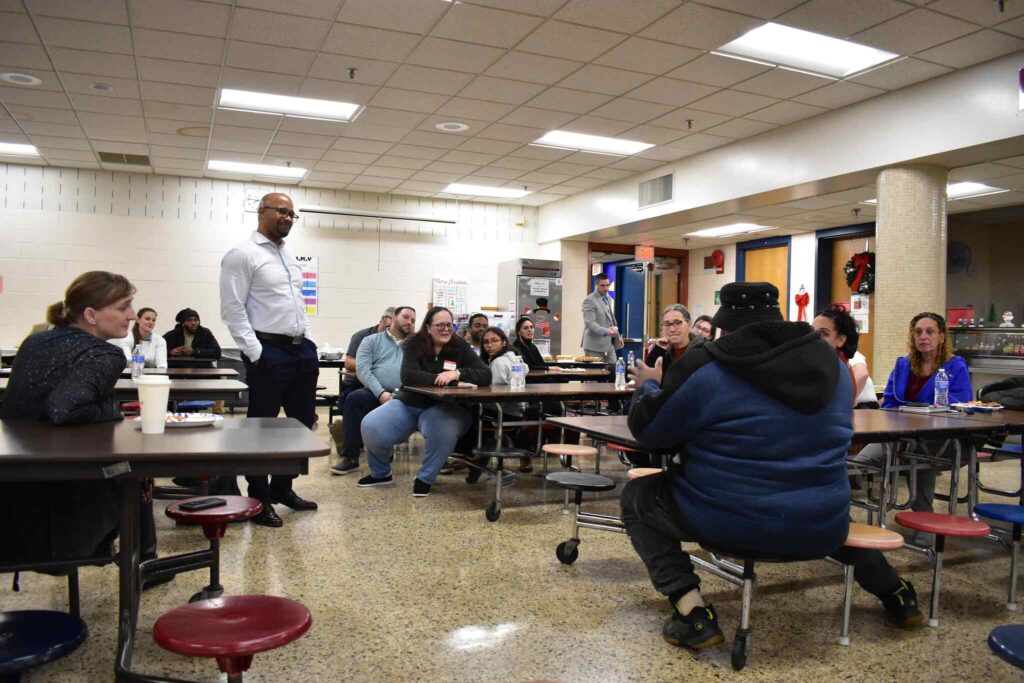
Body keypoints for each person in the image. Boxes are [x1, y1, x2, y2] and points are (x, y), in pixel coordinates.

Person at [621, 282, 922, 653]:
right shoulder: (831, 366)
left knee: (638, 497)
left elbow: (651, 432)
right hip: (822, 524)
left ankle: (691, 612)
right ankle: (897, 593)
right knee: (809, 508)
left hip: (727, 521)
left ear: (725, 325)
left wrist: (651, 387)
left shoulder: (708, 366)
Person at [0, 271, 163, 575]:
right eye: (124, 306)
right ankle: (145, 565)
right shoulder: (106, 353)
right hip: (62, 517)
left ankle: (147, 563)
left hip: (11, 506)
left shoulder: (35, 341)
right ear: (91, 314)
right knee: (136, 472)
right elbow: (64, 409)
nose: (131, 315)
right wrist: (112, 411)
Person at [220, 192, 318, 528]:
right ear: (261, 212)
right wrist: (256, 352)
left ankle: (282, 488)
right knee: (262, 428)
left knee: (301, 424)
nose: (288, 218)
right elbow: (232, 309)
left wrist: (306, 337)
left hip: (300, 348)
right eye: (282, 211)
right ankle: (259, 498)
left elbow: (294, 305)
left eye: (293, 214)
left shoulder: (288, 257)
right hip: (268, 349)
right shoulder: (242, 254)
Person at [357, 306, 491, 497]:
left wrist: (458, 372)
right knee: (371, 425)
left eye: (449, 325)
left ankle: (425, 478)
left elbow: (485, 374)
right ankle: (381, 474)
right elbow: (409, 376)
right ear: (428, 327)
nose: (446, 330)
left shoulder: (460, 346)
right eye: (440, 325)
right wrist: (449, 380)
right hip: (410, 402)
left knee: (441, 431)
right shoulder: (414, 343)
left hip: (446, 406)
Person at [856, 312, 973, 524]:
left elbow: (961, 402)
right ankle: (843, 516)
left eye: (930, 332)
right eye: (918, 332)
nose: (923, 336)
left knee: (920, 457)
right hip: (899, 434)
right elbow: (890, 401)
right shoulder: (903, 364)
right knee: (857, 463)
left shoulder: (955, 366)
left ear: (942, 336)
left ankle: (924, 526)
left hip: (938, 437)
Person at [331, 306, 416, 476]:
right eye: (406, 317)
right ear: (393, 318)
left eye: (413, 320)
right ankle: (350, 457)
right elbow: (363, 370)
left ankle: (384, 449)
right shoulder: (371, 340)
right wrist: (381, 393)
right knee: (354, 399)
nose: (410, 323)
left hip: (405, 393)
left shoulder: (416, 345)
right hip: (375, 391)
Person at [329, 307, 395, 453]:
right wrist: (374, 366)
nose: (390, 331)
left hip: (383, 385)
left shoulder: (396, 340)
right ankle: (350, 444)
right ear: (383, 319)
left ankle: (377, 443)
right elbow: (349, 362)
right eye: (389, 325)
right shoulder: (362, 336)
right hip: (356, 384)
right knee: (354, 399)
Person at [481, 326, 532, 473]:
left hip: (503, 410)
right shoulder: (515, 358)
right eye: (486, 342)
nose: (489, 345)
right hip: (518, 409)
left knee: (467, 412)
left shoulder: (498, 363)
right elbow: (526, 370)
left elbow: (495, 395)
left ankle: (472, 457)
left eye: (494, 341)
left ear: (504, 342)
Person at [812, 305, 877, 407]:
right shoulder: (835, 362)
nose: (814, 337)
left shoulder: (835, 365)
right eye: (812, 331)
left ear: (840, 340)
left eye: (823, 333)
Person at [581, 273, 623, 363]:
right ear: (596, 285)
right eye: (602, 285)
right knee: (596, 374)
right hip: (593, 346)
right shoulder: (589, 300)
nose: (606, 288)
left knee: (613, 371)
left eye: (607, 285)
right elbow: (590, 323)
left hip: (609, 345)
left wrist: (617, 336)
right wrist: (607, 331)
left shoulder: (608, 298)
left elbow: (611, 320)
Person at [645, 304, 693, 372]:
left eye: (677, 323)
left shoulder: (701, 352)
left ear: (689, 324)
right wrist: (658, 349)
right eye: (667, 324)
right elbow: (648, 376)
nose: (672, 329)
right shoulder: (661, 351)